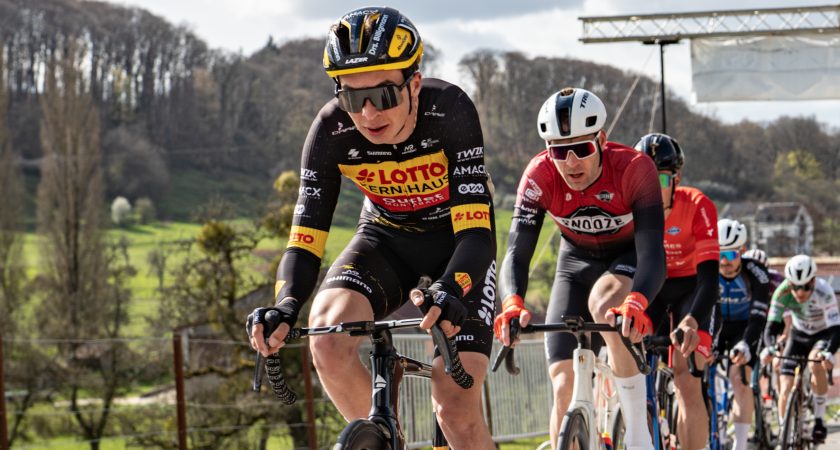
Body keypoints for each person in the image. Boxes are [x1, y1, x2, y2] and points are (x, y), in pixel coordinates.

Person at [246, 7, 497, 448]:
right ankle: (386, 440)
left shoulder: (450, 111)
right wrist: (285, 305)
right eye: (351, 97)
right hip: (386, 239)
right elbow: (304, 243)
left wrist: (453, 288)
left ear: (414, 83)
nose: (366, 113)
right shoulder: (331, 131)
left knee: (455, 409)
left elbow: (477, 233)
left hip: (457, 247)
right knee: (327, 339)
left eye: (382, 96)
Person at [495, 87, 665, 450]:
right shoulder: (539, 175)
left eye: (582, 149)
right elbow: (517, 252)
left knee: (605, 304)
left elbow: (653, 252)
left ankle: (638, 433)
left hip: (626, 257)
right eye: (559, 151)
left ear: (601, 140)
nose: (570, 162)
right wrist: (512, 303)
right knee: (563, 385)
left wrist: (636, 301)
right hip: (574, 263)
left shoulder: (635, 169)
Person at [635, 133, 718, 450]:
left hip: (692, 289)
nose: (652, 188)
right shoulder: (629, 210)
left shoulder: (697, 206)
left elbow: (710, 281)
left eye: (660, 179)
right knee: (630, 359)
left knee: (685, 380)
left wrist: (692, 321)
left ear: (676, 180)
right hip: (654, 288)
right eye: (645, 179)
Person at [762, 254, 840, 443]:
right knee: (785, 384)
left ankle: (819, 420)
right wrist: (770, 348)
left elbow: (836, 329)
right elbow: (771, 326)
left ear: (813, 281)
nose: (800, 292)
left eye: (805, 286)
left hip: (822, 334)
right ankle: (785, 433)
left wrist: (829, 352)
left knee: (816, 364)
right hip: (798, 335)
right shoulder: (782, 292)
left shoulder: (824, 291)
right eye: (795, 286)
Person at [715, 218, 771, 450]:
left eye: (730, 255)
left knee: (739, 379)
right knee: (698, 375)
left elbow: (758, 315)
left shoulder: (756, 273)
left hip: (745, 327)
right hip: (717, 325)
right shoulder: (708, 269)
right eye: (720, 255)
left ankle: (740, 445)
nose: (724, 262)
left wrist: (747, 343)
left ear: (742, 251)